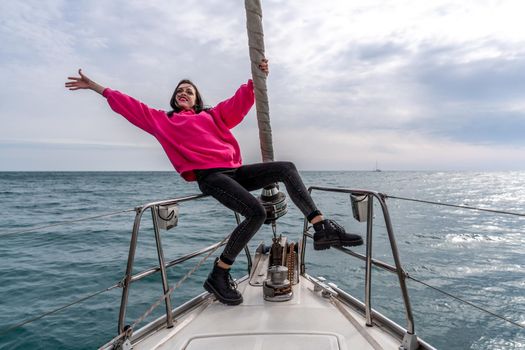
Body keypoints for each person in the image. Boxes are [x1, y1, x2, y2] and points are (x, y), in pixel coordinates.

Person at [65, 59, 363, 305]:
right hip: (211, 177)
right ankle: (219, 274)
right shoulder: (163, 121)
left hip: (233, 171)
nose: (184, 93)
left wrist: (255, 78)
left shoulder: (212, 116)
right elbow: (129, 105)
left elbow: (239, 102)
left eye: (189, 91)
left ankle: (320, 227)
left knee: (286, 167)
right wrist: (96, 87)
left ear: (196, 99)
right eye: (180, 90)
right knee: (257, 212)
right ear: (174, 98)